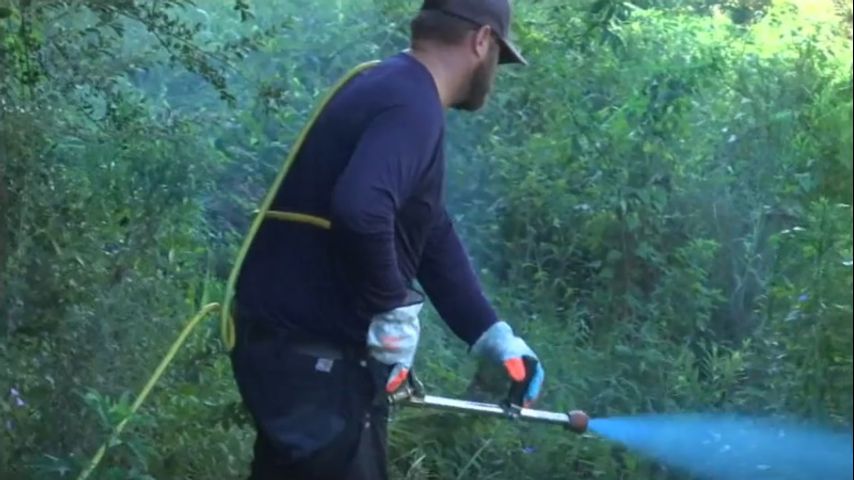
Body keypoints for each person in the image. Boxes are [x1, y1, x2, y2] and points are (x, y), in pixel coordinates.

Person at [229, 1, 545, 478]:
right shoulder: (413, 104)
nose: (494, 75)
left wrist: (490, 334)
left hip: (292, 352)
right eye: (499, 57)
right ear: (482, 40)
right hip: (319, 364)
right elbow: (361, 208)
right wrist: (391, 307)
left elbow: (428, 226)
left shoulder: (391, 85)